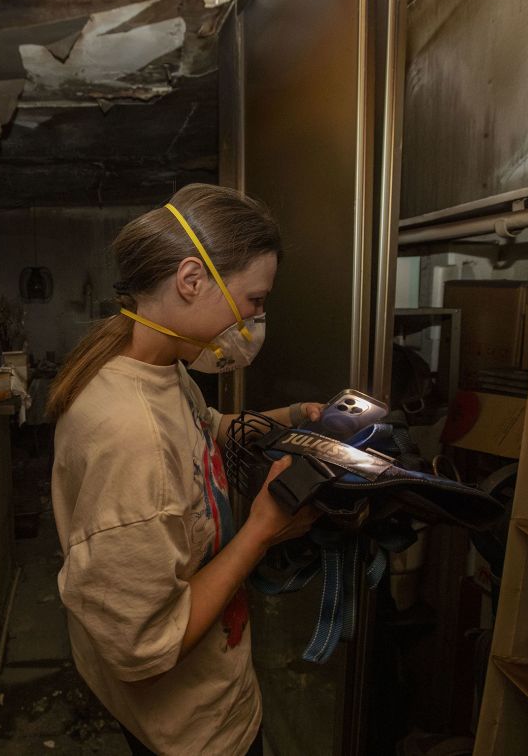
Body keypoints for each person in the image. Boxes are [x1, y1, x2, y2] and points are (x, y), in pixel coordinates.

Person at [46, 184, 324, 755]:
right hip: (190, 733)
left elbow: (203, 426)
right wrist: (264, 528)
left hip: (204, 692)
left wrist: (290, 418)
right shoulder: (132, 436)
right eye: (254, 298)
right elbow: (144, 647)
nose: (258, 316)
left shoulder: (154, 363)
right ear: (192, 280)